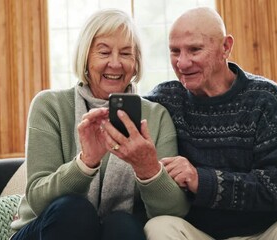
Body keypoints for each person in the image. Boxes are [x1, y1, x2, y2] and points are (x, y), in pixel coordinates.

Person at [10, 9, 189, 240]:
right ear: (85, 57)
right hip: (46, 228)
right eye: (104, 52)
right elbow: (37, 200)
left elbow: (174, 211)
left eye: (126, 54)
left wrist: (148, 169)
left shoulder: (156, 117)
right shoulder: (50, 106)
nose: (115, 63)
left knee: (123, 224)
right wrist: (85, 163)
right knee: (75, 211)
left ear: (136, 64)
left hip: (113, 232)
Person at [144, 7, 277, 240]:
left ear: (226, 47)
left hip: (268, 231)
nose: (182, 62)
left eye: (195, 50)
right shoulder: (166, 97)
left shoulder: (264, 97)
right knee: (159, 226)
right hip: (202, 234)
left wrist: (202, 180)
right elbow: (123, 114)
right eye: (174, 51)